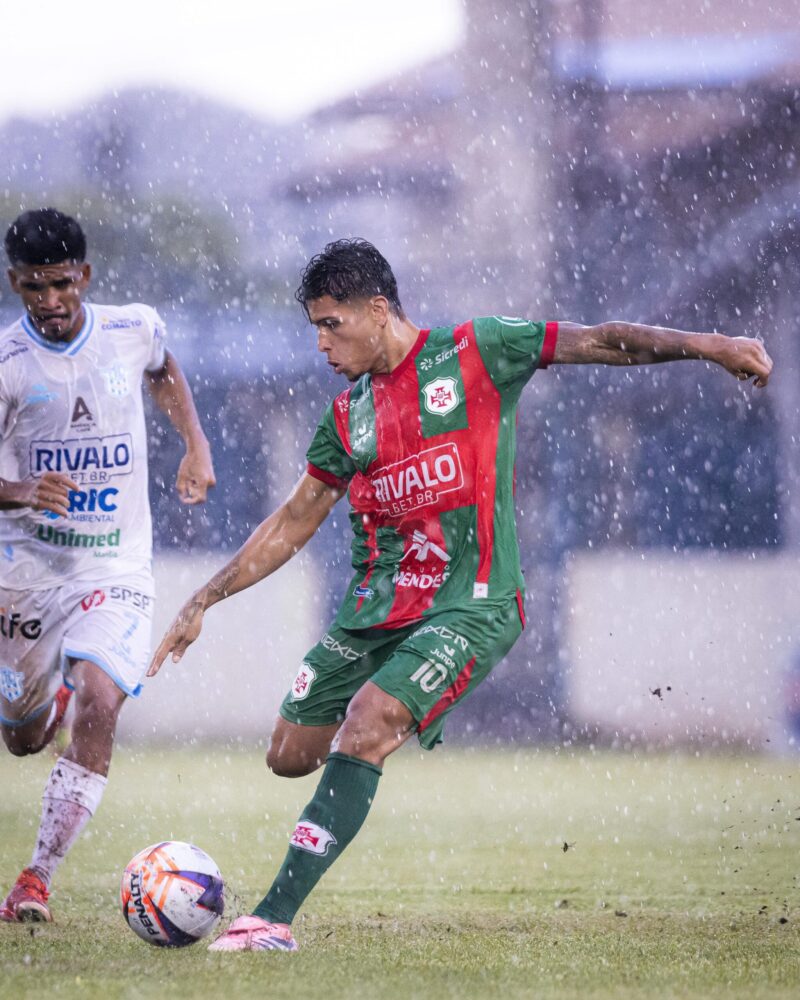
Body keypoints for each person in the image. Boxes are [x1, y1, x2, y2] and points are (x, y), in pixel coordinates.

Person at [149, 237, 772, 952]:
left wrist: (710, 346)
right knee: (289, 755)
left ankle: (272, 919)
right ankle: (360, 754)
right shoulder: (347, 416)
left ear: (377, 309)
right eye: (315, 327)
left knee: (368, 722)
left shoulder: (479, 351)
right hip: (381, 608)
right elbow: (294, 520)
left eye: (331, 324)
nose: (321, 343)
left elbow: (604, 340)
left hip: (475, 603)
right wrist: (204, 598)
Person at [0, 208, 215, 922]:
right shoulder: (7, 365)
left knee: (101, 701)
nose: (51, 300)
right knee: (24, 738)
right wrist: (21, 491)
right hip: (27, 576)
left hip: (115, 567)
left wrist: (195, 444)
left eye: (62, 283)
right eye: (35, 286)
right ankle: (47, 703)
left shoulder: (132, 329)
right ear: (15, 284)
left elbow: (164, 368)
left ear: (84, 276)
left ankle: (36, 878)